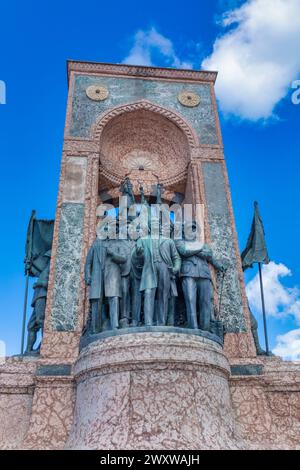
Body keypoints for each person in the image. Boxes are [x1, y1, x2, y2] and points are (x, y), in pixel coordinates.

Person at [176, 221, 225, 331]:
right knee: (190, 300)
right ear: (184, 231)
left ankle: (205, 328)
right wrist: (199, 248)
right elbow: (184, 251)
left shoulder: (203, 245)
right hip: (188, 273)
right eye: (189, 229)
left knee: (205, 301)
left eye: (194, 229)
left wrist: (219, 265)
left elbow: (209, 256)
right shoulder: (179, 242)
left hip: (204, 274)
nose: (192, 231)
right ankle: (194, 328)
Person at [25, 250, 51, 354]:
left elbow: (49, 283)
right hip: (37, 297)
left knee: (41, 320)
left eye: (46, 258)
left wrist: (38, 284)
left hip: (42, 296)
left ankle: (44, 347)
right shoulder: (46, 269)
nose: (44, 260)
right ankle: (28, 350)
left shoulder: (51, 269)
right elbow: (39, 274)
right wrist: (29, 266)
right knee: (31, 326)